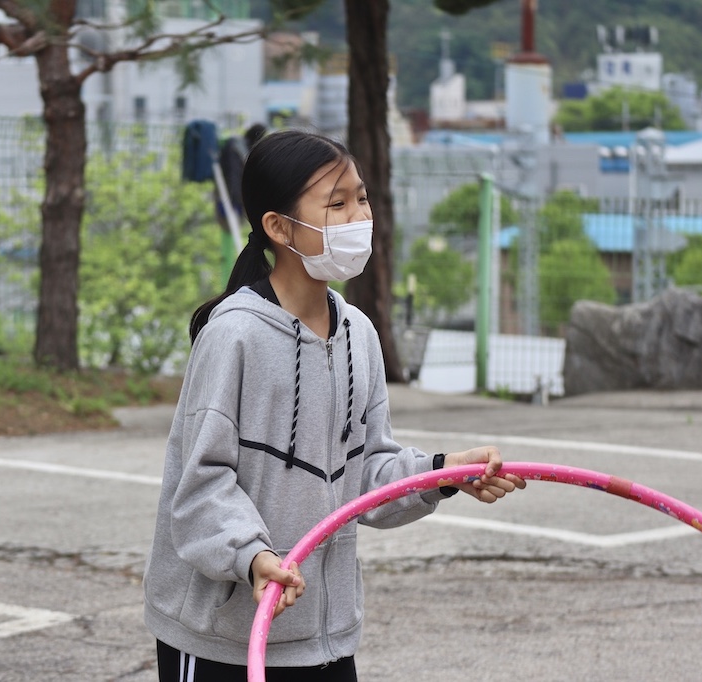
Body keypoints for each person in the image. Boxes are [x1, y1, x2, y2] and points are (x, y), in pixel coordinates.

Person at [143, 129, 525, 681]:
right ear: (279, 227)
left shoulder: (358, 334)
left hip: (323, 638)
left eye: (361, 199)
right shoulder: (234, 336)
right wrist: (253, 557)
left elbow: (366, 474)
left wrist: (443, 473)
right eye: (336, 204)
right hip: (222, 639)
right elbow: (201, 485)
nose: (358, 217)